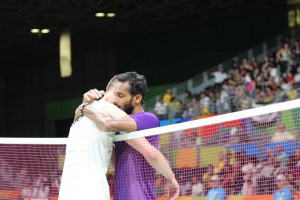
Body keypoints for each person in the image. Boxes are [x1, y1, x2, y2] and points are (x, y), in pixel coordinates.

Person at [81, 72, 179, 200]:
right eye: (114, 95)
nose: (115, 100)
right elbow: (114, 159)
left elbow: (152, 154)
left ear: (137, 98)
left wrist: (171, 177)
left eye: (120, 96)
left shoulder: (148, 118)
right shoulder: (116, 126)